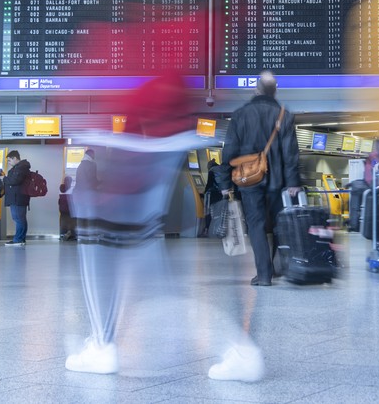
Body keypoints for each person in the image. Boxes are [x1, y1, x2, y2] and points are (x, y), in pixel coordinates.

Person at [65, 72, 265, 381]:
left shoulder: (148, 62)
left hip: (138, 167)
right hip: (151, 161)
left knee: (107, 257)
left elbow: (138, 118)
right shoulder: (167, 71)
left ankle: (103, 346)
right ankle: (102, 344)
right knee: (143, 268)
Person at [215, 71, 302, 287]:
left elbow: (230, 151)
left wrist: (225, 184)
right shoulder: (284, 114)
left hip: (248, 179)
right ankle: (278, 266)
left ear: (256, 90)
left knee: (256, 224)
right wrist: (293, 182)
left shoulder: (240, 114)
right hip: (278, 181)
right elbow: (291, 152)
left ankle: (264, 274)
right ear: (275, 91)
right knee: (280, 223)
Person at [3, 150, 31, 247]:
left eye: (9, 160)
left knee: (18, 219)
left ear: (15, 158)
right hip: (18, 198)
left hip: (18, 198)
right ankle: (20, 239)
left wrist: (4, 178)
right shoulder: (20, 168)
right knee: (20, 219)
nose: (9, 163)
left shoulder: (21, 168)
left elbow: (14, 181)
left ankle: (18, 239)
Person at [58, 176, 75, 241]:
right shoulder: (72, 189)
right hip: (69, 208)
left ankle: (62, 234)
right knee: (72, 222)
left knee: (63, 221)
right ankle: (72, 235)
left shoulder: (60, 188)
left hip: (62, 208)